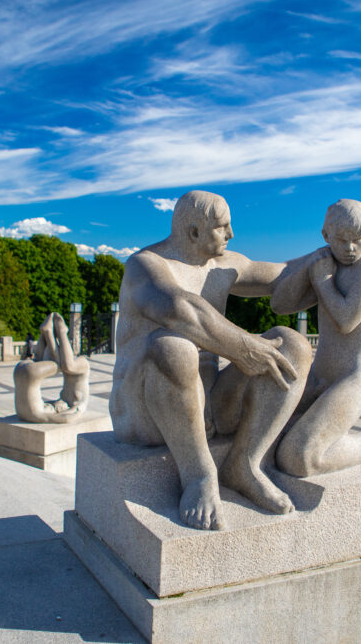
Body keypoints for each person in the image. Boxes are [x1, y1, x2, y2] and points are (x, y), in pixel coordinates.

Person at [110, 190, 312, 531]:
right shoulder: (145, 266)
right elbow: (180, 310)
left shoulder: (224, 264)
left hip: (209, 406)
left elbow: (285, 276)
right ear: (193, 232)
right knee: (173, 347)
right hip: (144, 412)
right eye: (222, 227)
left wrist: (334, 256)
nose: (231, 234)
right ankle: (199, 476)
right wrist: (243, 347)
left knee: (292, 345)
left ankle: (245, 464)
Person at [271, 199, 361, 476]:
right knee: (263, 426)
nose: (350, 248)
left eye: (358, 240)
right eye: (341, 240)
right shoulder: (327, 264)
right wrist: (310, 265)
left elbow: (346, 321)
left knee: (299, 457)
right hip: (321, 374)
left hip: (356, 378)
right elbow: (280, 305)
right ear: (326, 235)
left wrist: (322, 280)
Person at [14, 313, 90, 423]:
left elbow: (65, 417)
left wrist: (70, 412)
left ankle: (55, 332)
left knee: (63, 364)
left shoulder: (38, 412)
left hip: (29, 372)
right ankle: (50, 332)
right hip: (24, 370)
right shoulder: (78, 405)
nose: (54, 408)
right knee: (63, 364)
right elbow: (66, 418)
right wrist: (74, 412)